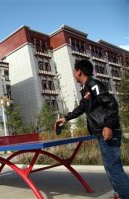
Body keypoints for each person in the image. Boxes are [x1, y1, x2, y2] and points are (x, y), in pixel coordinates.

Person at [54, 59, 129, 199]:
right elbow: (82, 107)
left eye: (74, 71)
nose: (73, 73)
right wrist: (66, 118)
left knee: (114, 167)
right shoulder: (86, 89)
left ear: (79, 71)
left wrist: (108, 125)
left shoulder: (93, 84)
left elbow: (111, 103)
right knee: (111, 168)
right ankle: (120, 194)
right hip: (103, 131)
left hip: (107, 130)